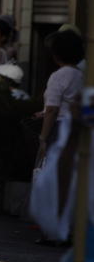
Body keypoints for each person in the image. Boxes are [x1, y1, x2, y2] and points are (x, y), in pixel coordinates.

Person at [36, 30, 85, 166]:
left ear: (55, 54)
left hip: (59, 130)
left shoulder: (57, 76)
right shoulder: (82, 76)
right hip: (79, 128)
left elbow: (52, 109)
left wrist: (43, 138)